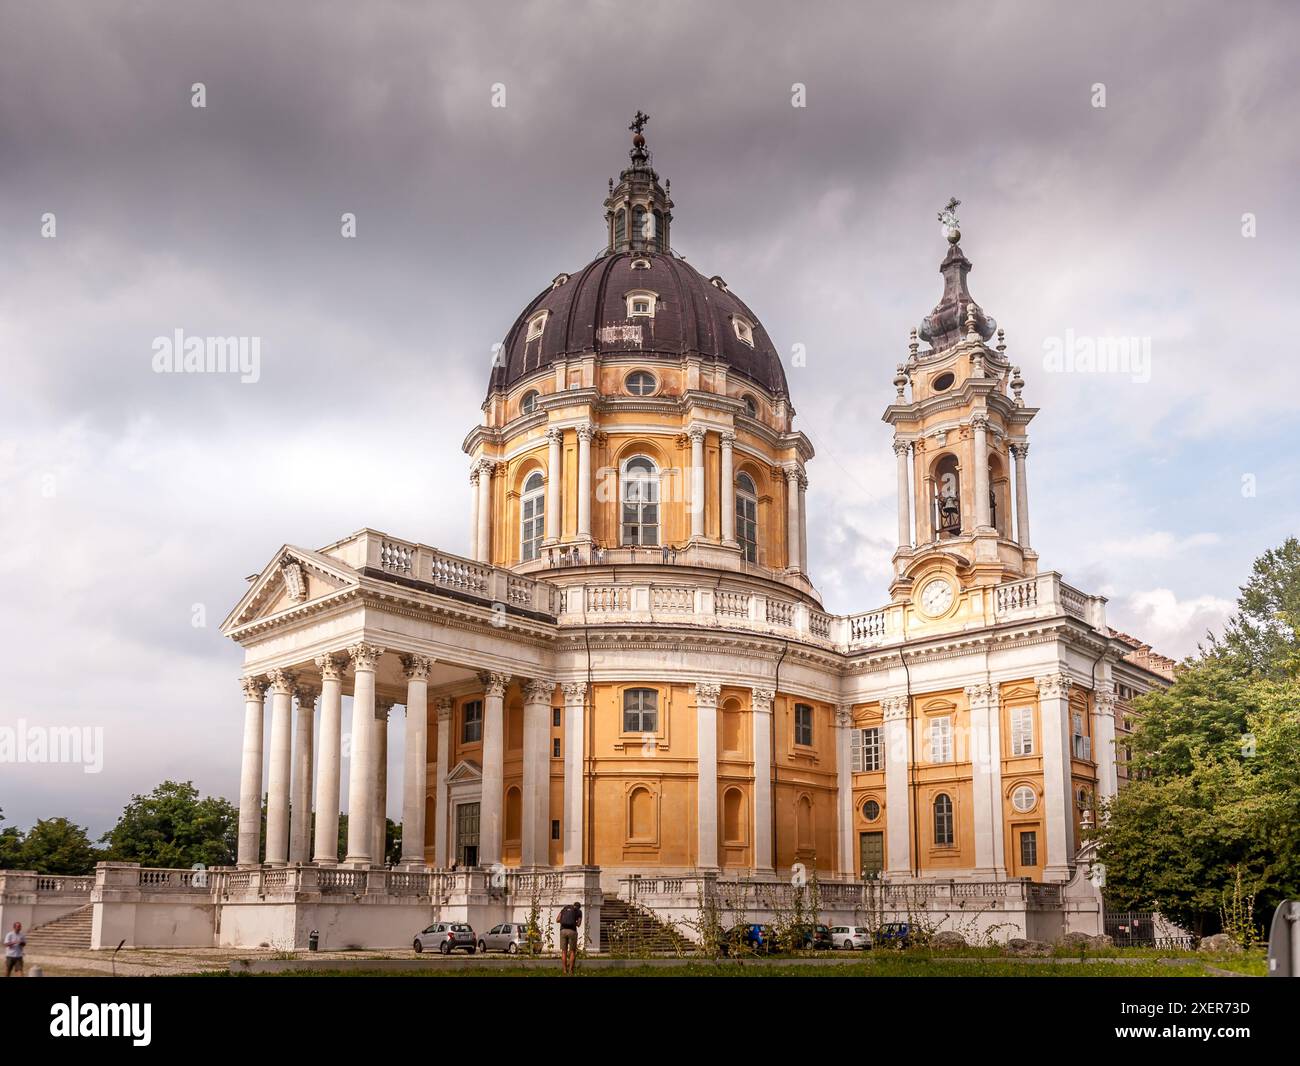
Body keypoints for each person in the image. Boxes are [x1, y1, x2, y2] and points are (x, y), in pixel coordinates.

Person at [557, 900, 582, 975]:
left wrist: (564, 921)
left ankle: (564, 970)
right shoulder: (578, 911)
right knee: (572, 951)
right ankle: (571, 971)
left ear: (573, 905)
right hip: (572, 931)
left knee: (564, 951)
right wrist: (574, 922)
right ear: (579, 907)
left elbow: (557, 919)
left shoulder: (565, 909)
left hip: (563, 931)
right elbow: (579, 924)